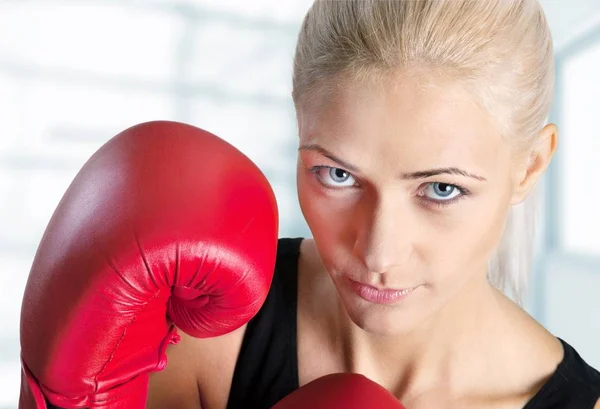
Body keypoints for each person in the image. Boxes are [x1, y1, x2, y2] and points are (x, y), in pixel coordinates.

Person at [18, 1, 600, 409]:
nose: (378, 251)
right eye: (338, 174)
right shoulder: (206, 338)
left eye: (440, 189)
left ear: (529, 167)